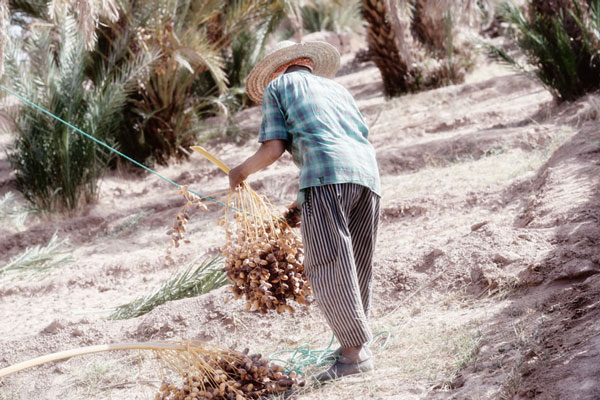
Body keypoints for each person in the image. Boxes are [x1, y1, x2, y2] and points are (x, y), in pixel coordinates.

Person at [228, 40, 381, 382]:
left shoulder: (278, 86)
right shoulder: (338, 90)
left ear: (278, 68)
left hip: (327, 179)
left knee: (329, 263)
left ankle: (354, 356)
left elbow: (273, 148)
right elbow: (339, 141)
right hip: (367, 177)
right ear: (307, 63)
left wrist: (239, 172)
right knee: (356, 262)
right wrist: (300, 204)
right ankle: (357, 347)